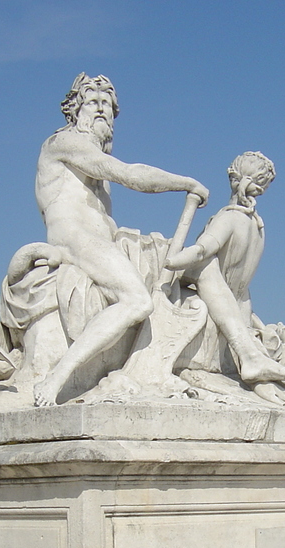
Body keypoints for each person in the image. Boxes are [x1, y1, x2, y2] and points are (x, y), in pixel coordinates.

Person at [30, 73, 209, 406]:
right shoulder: (65, 142)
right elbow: (129, 174)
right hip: (74, 238)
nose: (101, 111)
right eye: (93, 103)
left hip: (102, 240)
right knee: (138, 300)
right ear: (74, 110)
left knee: (191, 266)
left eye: (107, 106)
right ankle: (57, 377)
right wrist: (185, 183)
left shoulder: (89, 159)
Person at [165, 151, 285, 385]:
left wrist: (170, 259)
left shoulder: (229, 218)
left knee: (203, 265)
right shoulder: (258, 228)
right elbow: (243, 290)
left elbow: (202, 251)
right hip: (238, 309)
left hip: (214, 305)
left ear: (233, 179)